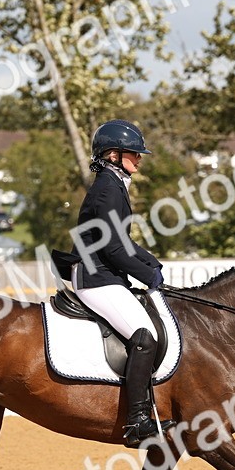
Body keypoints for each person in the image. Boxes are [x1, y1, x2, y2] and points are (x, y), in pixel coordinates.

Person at [52, 119, 176, 448]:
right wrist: (147, 276)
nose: (139, 158)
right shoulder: (107, 189)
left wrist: (150, 261)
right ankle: (137, 420)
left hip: (104, 275)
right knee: (144, 337)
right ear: (112, 155)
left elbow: (121, 241)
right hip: (96, 279)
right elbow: (114, 250)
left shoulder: (114, 185)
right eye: (134, 153)